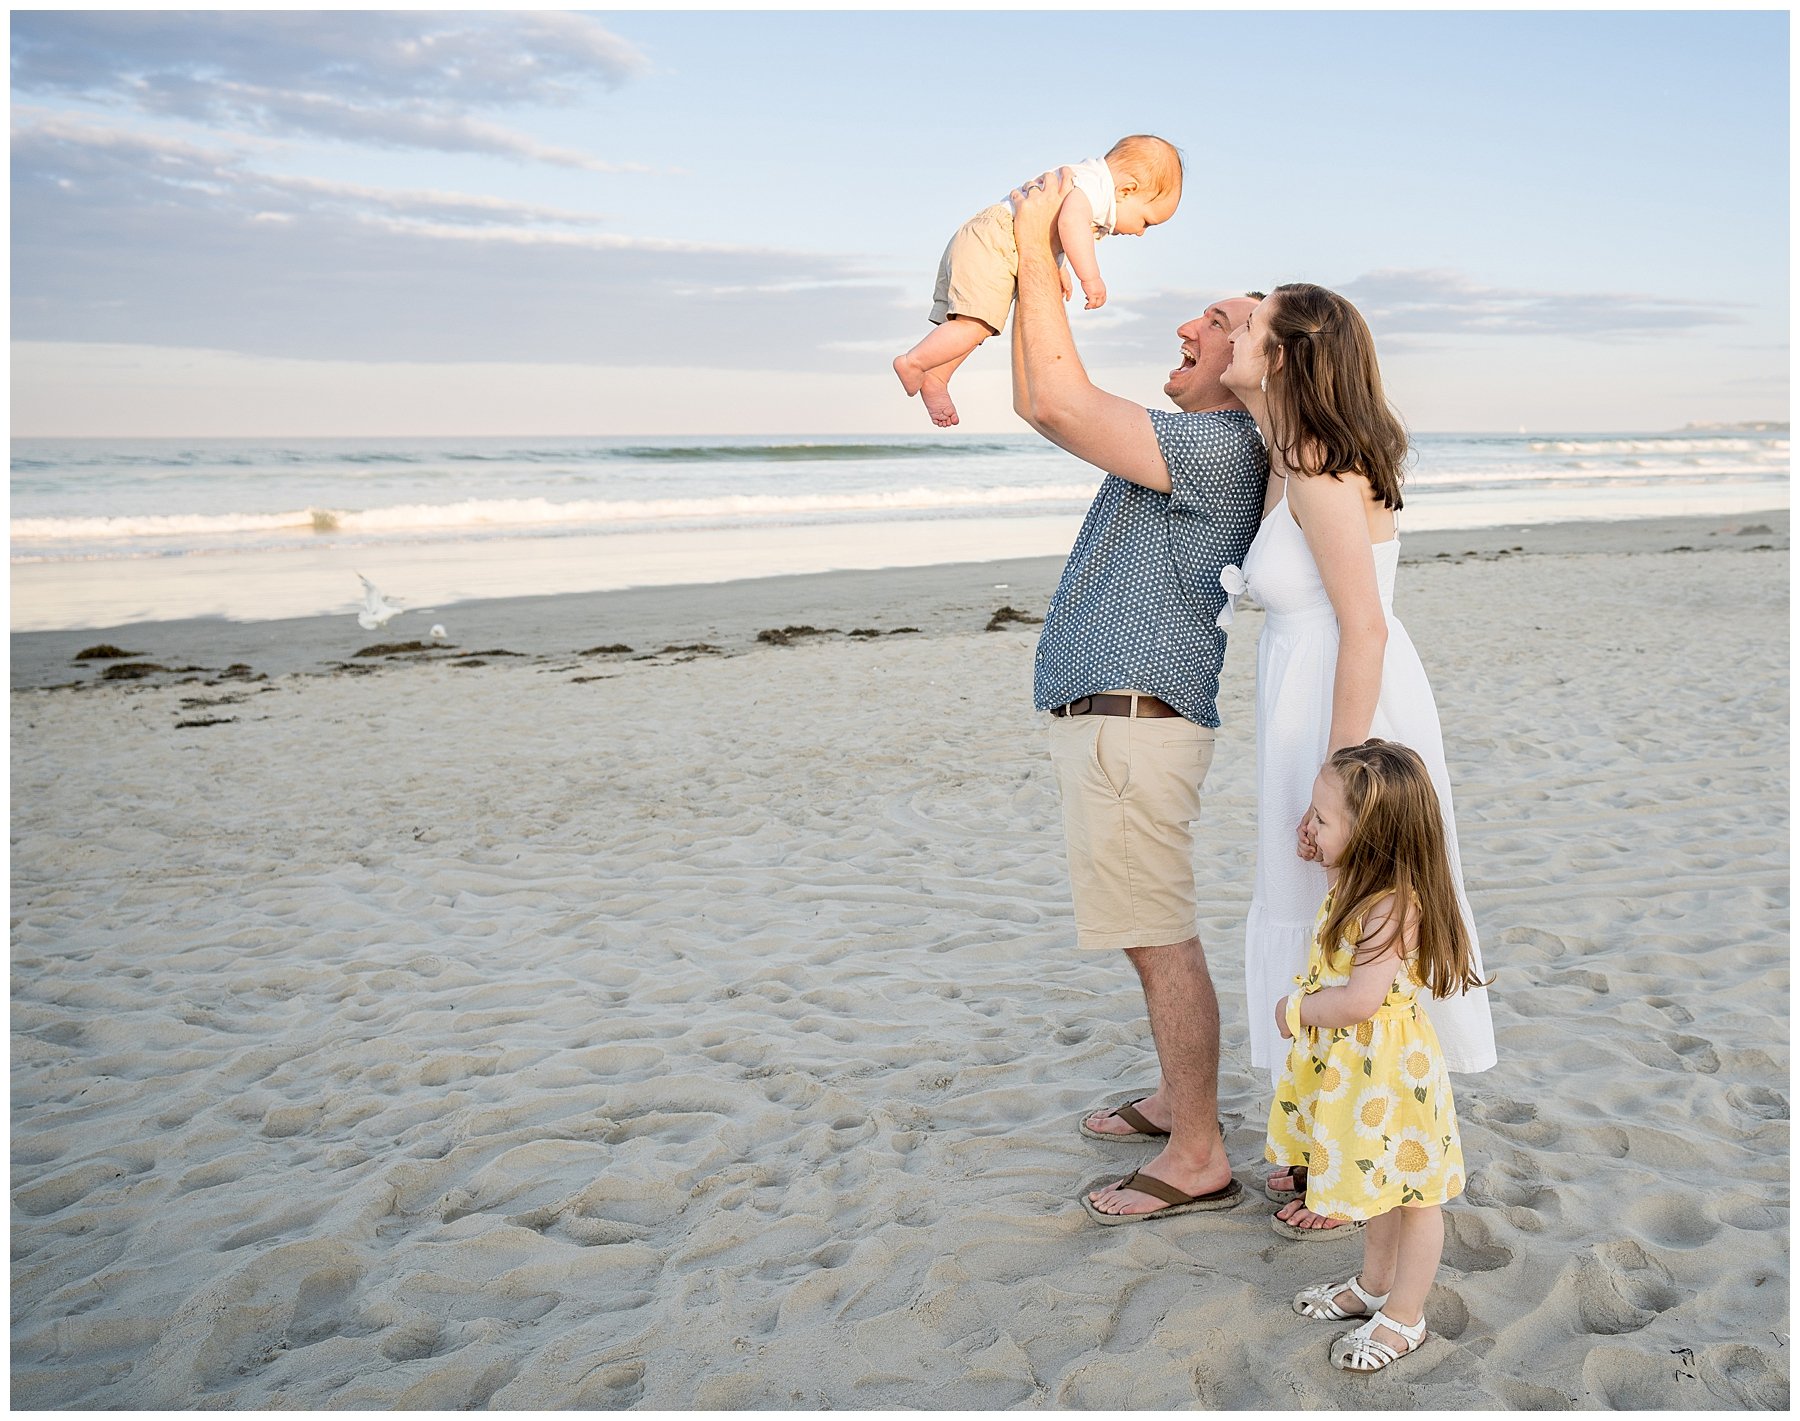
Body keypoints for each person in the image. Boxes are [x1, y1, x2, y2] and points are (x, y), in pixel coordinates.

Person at [1006, 168, 1266, 1223]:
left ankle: (1198, 1148)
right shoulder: (1203, 442)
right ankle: (1179, 1099)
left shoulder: (1221, 445)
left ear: (1260, 364)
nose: (1189, 323)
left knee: (1157, 929)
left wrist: (1035, 246)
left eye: (1219, 320)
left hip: (1133, 720)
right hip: (1122, 716)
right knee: (1147, 923)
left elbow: (1054, 400)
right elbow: (1042, 397)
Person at [1216, 282, 1496, 1237]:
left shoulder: (1323, 468)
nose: (1233, 334)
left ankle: (1351, 1149)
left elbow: (1365, 626)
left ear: (1289, 353)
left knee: (1339, 911)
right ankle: (1319, 1133)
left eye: (1248, 328)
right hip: (1306, 688)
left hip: (1347, 702)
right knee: (1310, 910)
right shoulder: (1287, 453)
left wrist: (1340, 781)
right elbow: (1253, 403)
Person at [1268, 739, 1484, 1372]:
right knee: (1378, 1185)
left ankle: (1406, 1317)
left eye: (1322, 818)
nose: (1309, 825)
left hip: (1390, 1071)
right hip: (1361, 1072)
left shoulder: (1391, 906)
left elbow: (1361, 1000)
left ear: (1372, 836)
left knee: (1414, 1196)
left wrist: (1295, 1011)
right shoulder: (1363, 884)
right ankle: (1373, 1286)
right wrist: (1324, 849)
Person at [894, 135, 1183, 429]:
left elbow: (1053, 227)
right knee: (974, 325)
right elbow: (1071, 223)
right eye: (1146, 221)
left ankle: (937, 376)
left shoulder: (1086, 180)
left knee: (976, 327)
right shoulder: (1094, 187)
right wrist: (1090, 277)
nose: (1141, 233)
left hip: (987, 237)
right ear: (1127, 190)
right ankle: (913, 362)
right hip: (997, 238)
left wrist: (1057, 266)